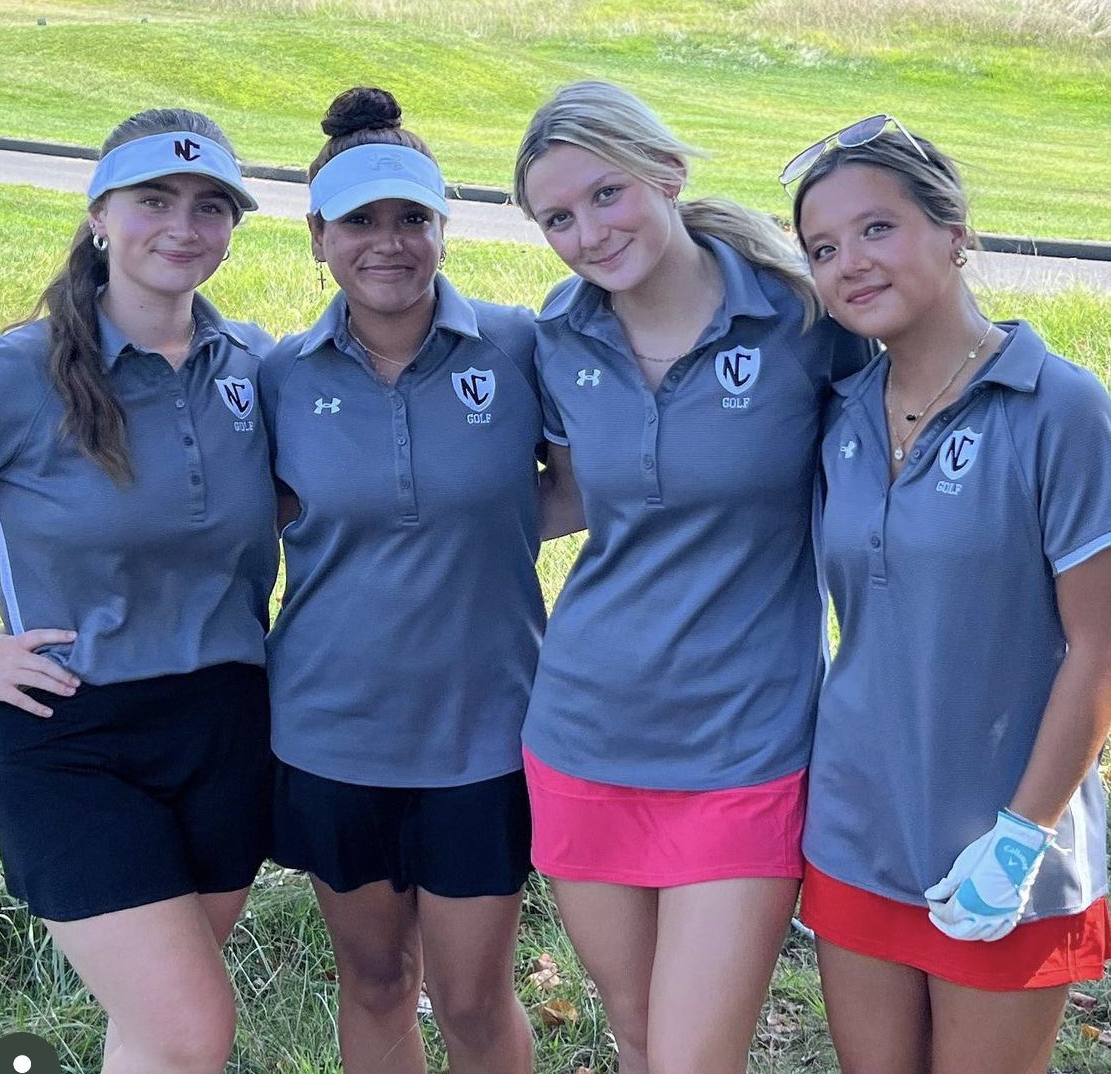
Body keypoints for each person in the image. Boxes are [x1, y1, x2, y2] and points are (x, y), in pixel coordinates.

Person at [511, 80, 866, 1074]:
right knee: (636, 1037)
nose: (588, 232)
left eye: (607, 194)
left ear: (665, 174)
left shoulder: (802, 317)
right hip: (583, 735)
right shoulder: (561, 335)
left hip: (743, 749)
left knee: (694, 1057)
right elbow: (567, 495)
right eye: (559, 218)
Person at [0, 109, 278, 1074]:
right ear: (100, 216)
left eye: (211, 205)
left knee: (155, 1030)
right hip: (70, 735)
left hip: (225, 728)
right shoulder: (11, 374)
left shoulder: (252, 365)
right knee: (189, 1031)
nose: (183, 225)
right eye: (154, 200)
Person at [784, 115, 1111, 1074]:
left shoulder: (1063, 409)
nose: (850, 263)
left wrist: (1020, 838)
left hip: (1005, 844)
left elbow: (1100, 645)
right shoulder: (836, 416)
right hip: (856, 827)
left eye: (877, 228)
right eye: (823, 249)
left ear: (956, 229)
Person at [262, 86, 555, 1074]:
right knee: (377, 982)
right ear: (316, 237)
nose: (387, 243)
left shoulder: (518, 346)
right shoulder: (279, 377)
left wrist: (494, 522)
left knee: (471, 999)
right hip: (332, 732)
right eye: (359, 222)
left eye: (411, 220)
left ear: (442, 228)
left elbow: (602, 482)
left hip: (484, 733)